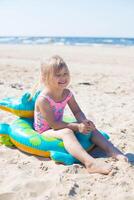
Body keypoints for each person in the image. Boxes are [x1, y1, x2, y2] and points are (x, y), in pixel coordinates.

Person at [34, 55, 127, 175]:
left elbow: (77, 111)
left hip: (58, 125)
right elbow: (54, 124)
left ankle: (112, 151)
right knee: (67, 132)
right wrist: (77, 127)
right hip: (45, 129)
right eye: (58, 75)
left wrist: (83, 121)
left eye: (65, 73)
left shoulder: (67, 93)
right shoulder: (44, 99)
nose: (63, 78)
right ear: (45, 78)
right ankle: (90, 163)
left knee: (90, 127)